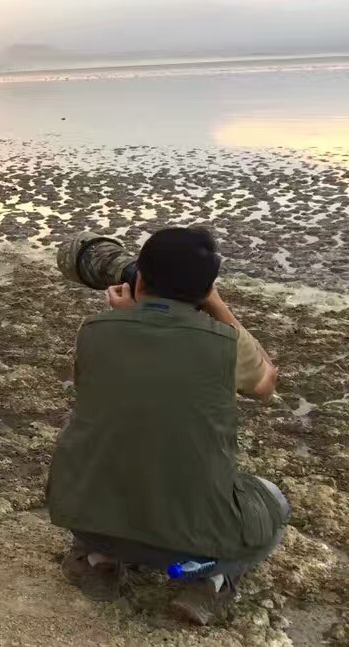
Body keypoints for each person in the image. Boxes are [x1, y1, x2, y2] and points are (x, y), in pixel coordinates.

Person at [48, 227, 285, 626]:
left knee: (114, 450)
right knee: (274, 500)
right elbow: (266, 383)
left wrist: (132, 316)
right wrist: (217, 305)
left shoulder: (93, 332)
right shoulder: (223, 344)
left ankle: (97, 559)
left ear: (139, 278)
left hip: (89, 518)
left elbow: (131, 373)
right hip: (191, 542)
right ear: (207, 288)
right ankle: (207, 580)